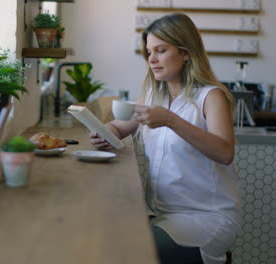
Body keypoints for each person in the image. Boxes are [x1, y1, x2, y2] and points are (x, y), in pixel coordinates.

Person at [89, 13, 241, 264]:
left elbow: (225, 152)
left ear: (185, 53)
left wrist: (170, 120)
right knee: (107, 237)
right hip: (160, 214)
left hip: (208, 218)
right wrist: (106, 133)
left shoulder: (211, 97)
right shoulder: (153, 95)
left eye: (160, 50)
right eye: (149, 52)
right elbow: (122, 124)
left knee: (130, 252)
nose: (152, 59)